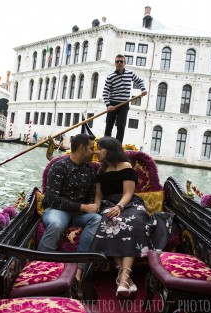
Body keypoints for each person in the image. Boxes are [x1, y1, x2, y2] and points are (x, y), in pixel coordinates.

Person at [90, 137, 151, 297]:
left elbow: (128, 193)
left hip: (127, 203)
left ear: (109, 150)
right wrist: (96, 209)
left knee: (134, 221)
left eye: (100, 148)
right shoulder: (101, 171)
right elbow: (98, 195)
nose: (97, 151)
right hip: (108, 204)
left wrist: (119, 207)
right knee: (109, 221)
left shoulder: (125, 166)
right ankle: (124, 279)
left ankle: (123, 277)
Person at [38, 134, 101, 283]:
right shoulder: (59, 166)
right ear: (81, 148)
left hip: (78, 214)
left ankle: (80, 267)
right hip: (57, 210)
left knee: (96, 219)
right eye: (91, 148)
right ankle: (41, 265)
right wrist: (83, 207)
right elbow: (53, 199)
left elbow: (91, 199)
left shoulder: (90, 172)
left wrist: (91, 207)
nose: (93, 152)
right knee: (57, 224)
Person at [103, 54, 147, 143]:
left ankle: (118, 148)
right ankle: (105, 147)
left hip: (124, 104)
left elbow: (140, 81)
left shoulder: (130, 74)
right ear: (115, 63)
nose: (119, 63)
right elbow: (105, 92)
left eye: (121, 61)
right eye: (117, 61)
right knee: (109, 126)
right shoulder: (110, 77)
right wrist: (108, 105)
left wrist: (143, 89)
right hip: (112, 104)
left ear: (124, 63)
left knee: (121, 127)